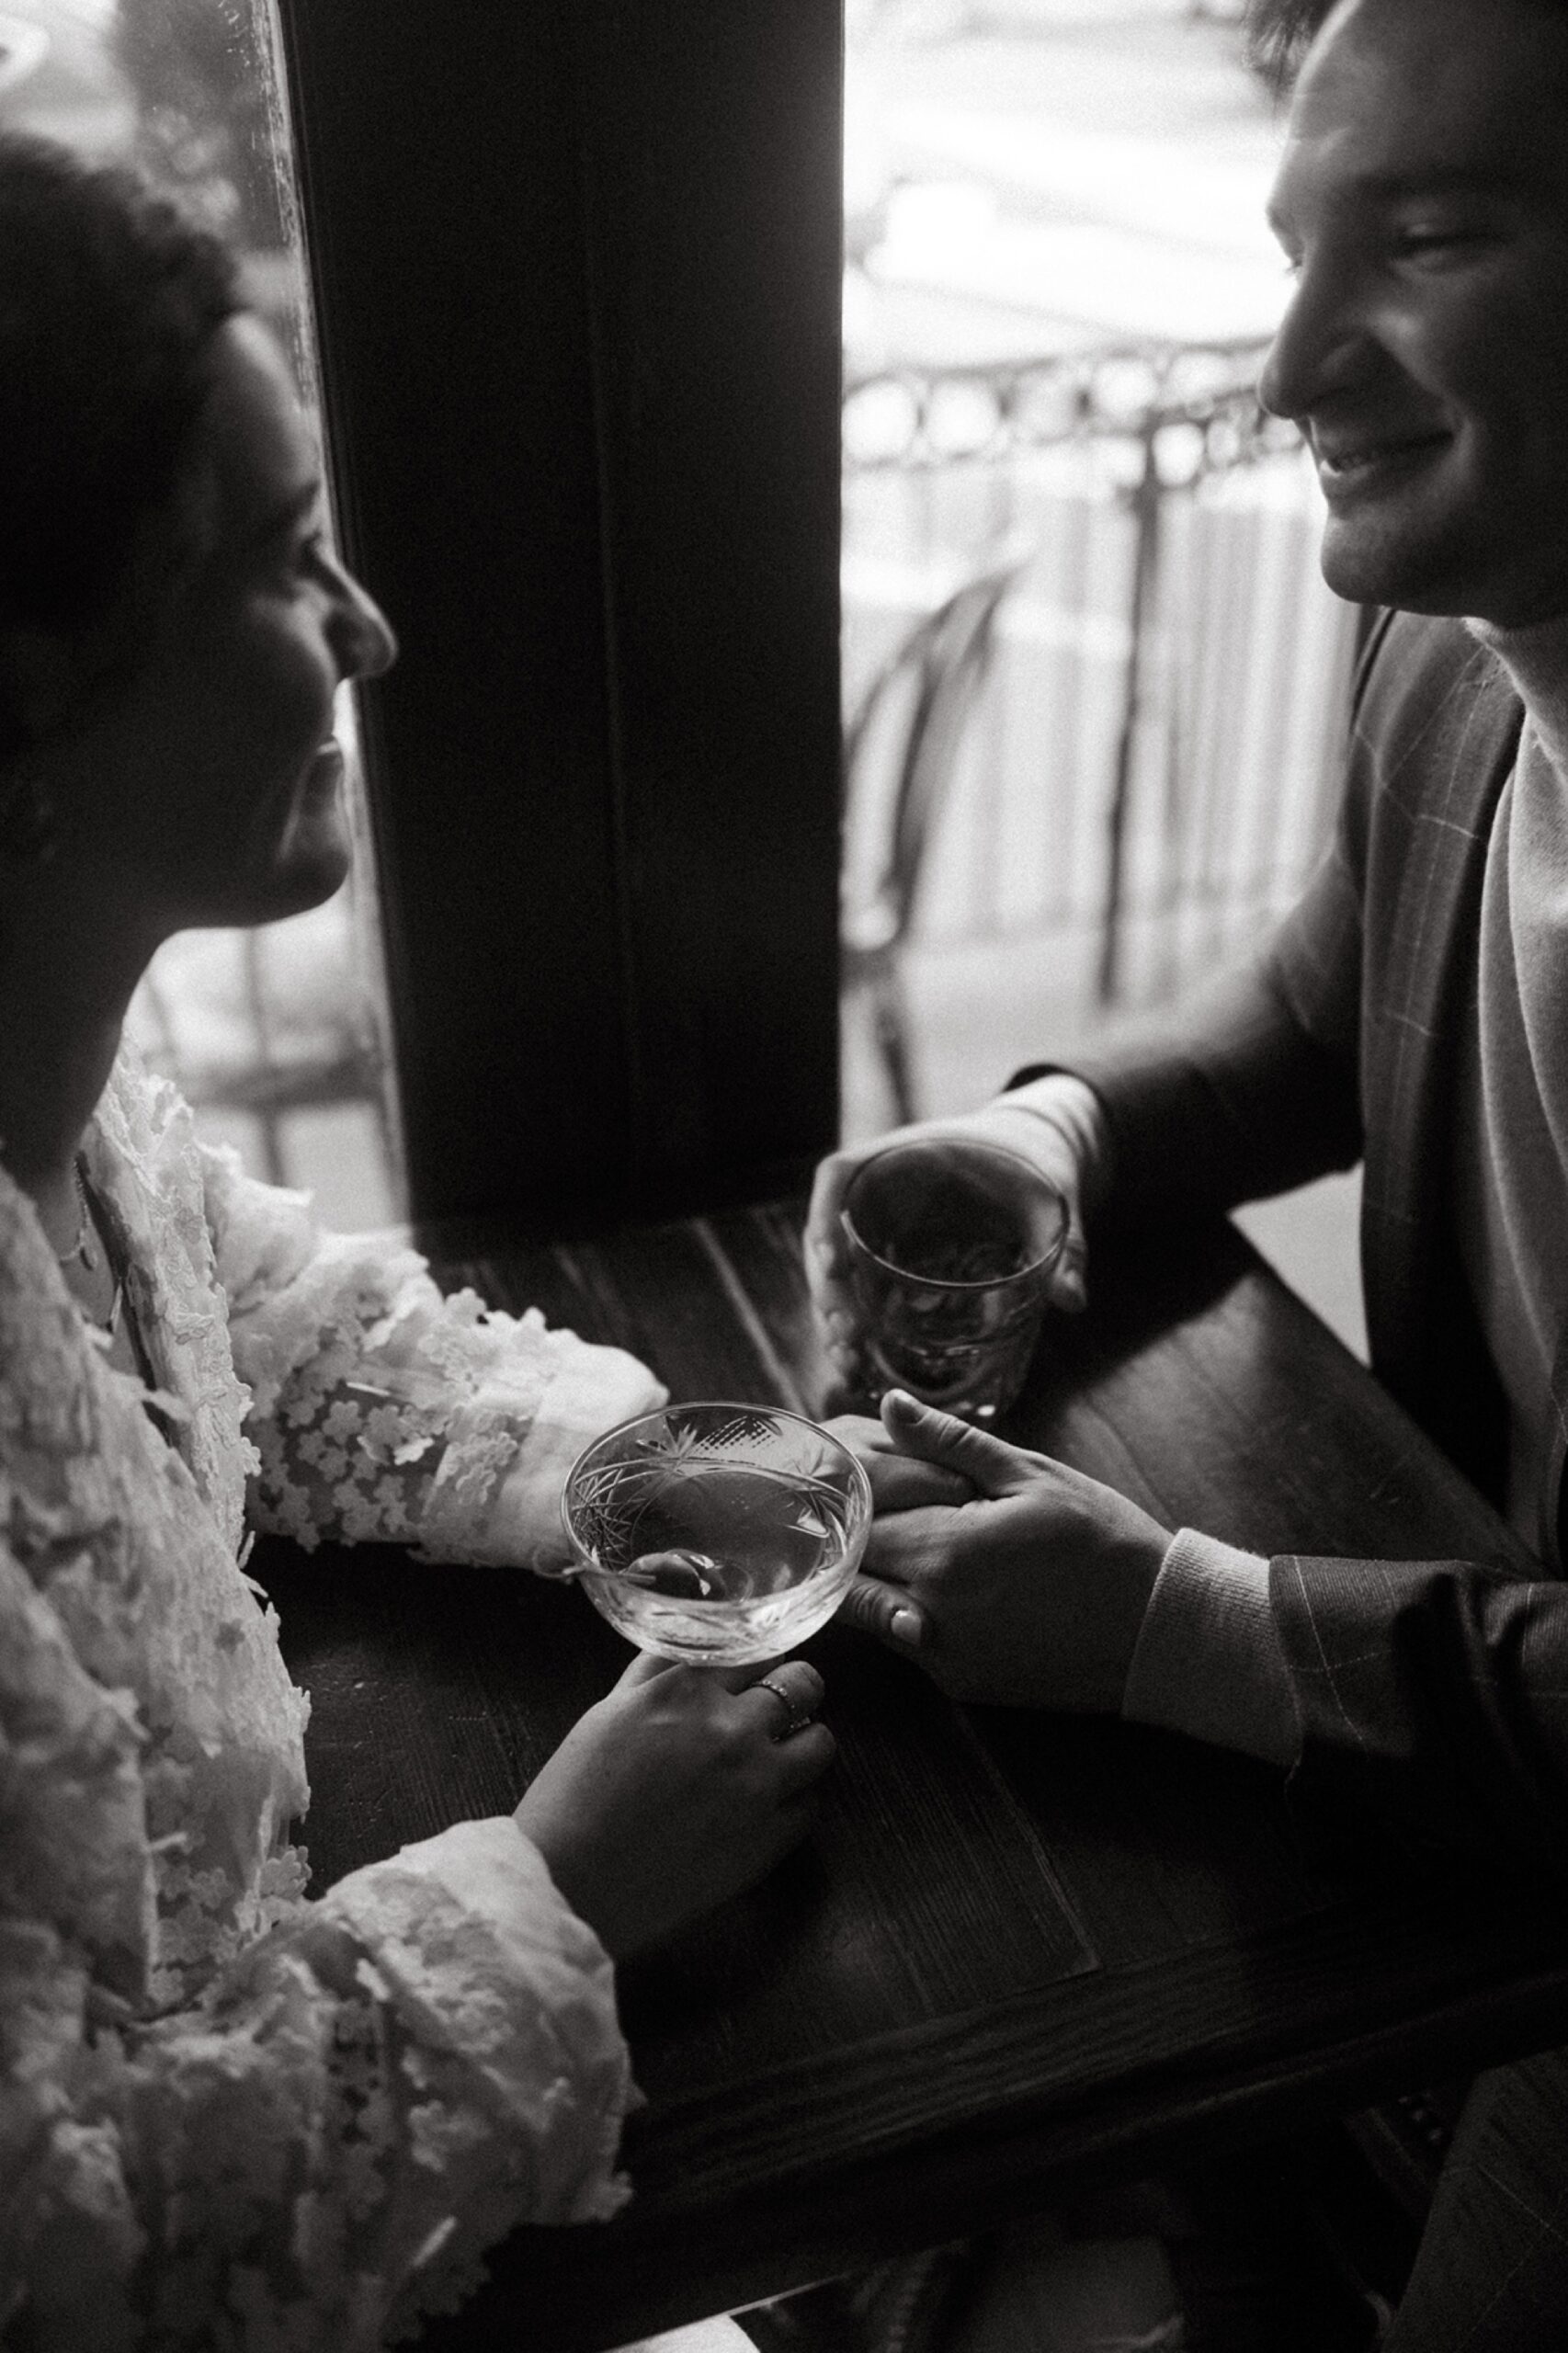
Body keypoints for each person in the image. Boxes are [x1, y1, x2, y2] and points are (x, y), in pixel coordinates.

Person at [0, 134, 840, 2353]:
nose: (372, 627)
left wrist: (646, 1473)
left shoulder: (75, 1111)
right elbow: (79, 2254)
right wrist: (562, 1881)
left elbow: (267, 1334)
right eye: (286, 565)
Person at [808, 0, 1568, 2343]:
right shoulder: (1451, 663)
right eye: (1292, 247)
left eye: (1424, 237)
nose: (1284, 371)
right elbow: (1311, 1022)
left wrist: (1178, 1624)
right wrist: (1058, 1132)